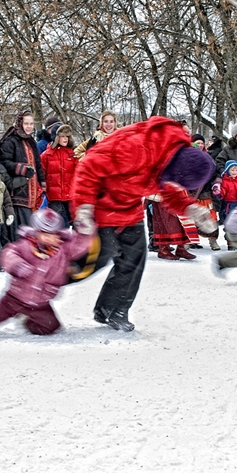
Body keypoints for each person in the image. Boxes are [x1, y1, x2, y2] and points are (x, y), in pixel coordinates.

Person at [70, 116, 217, 331]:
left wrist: (190, 208)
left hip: (129, 210)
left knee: (134, 261)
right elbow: (89, 166)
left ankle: (113, 311)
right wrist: (84, 207)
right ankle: (36, 288)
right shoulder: (135, 147)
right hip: (100, 208)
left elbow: (169, 188)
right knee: (90, 262)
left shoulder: (172, 154)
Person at [0, 208, 94, 335]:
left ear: (59, 235)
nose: (50, 239)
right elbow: (8, 253)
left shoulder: (64, 249)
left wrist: (86, 231)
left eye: (53, 235)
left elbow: (80, 245)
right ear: (36, 233)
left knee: (51, 326)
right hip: (15, 298)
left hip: (41, 302)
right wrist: (16, 265)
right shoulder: (25, 245)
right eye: (45, 235)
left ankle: (27, 320)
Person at [0, 111, 46, 230]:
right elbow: (5, 162)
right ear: (20, 123)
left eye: (31, 124)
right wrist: (22, 169)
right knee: (23, 229)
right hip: (18, 192)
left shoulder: (31, 141)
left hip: (32, 193)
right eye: (26, 123)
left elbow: (37, 163)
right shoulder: (11, 140)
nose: (29, 127)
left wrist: (43, 182)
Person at [39, 124, 77, 227]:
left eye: (67, 136)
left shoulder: (73, 155)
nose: (65, 139)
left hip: (70, 196)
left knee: (76, 227)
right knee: (61, 227)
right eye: (62, 136)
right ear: (56, 137)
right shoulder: (46, 155)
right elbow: (40, 175)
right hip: (54, 198)